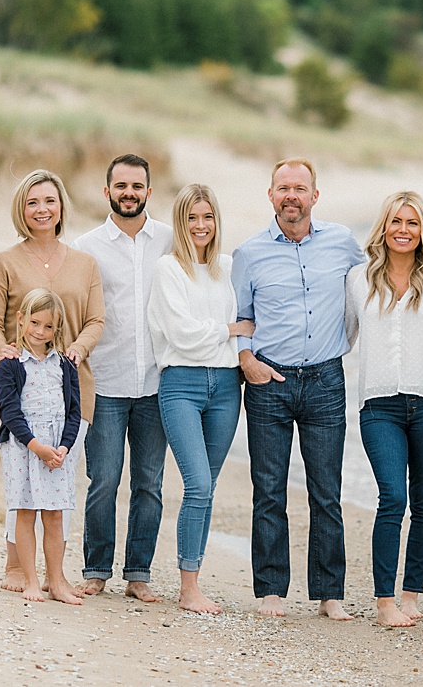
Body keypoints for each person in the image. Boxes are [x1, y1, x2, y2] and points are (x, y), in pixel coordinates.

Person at [231, 157, 364, 620]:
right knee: (268, 489)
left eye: (300, 188)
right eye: (283, 188)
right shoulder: (248, 253)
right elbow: (240, 316)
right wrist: (247, 360)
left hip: (327, 379)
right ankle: (271, 590)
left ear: (315, 195)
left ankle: (330, 594)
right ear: (271, 195)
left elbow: (384, 277)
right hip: (270, 381)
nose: (292, 195)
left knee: (326, 490)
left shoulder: (343, 243)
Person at [0, 169, 104, 592]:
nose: (42, 209)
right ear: (21, 209)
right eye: (32, 202)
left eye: (49, 201)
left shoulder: (86, 264)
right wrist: (2, 352)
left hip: (71, 392)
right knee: (22, 485)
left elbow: (96, 320)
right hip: (24, 393)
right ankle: (17, 566)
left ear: (61, 207)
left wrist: (78, 349)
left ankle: (57, 574)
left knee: (57, 484)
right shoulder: (3, 263)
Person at [345, 191, 423, 627]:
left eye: (412, 223)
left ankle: (411, 593)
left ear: (422, 230)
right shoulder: (357, 280)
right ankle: (384, 601)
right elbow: (341, 338)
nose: (403, 230)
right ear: (384, 226)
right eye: (396, 221)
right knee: (392, 497)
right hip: (378, 405)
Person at [148, 184, 254, 614]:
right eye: (192, 217)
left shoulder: (228, 268)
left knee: (206, 490)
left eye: (207, 217)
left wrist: (239, 333)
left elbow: (256, 314)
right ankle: (188, 589)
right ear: (180, 221)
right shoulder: (168, 269)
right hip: (182, 386)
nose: (200, 226)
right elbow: (181, 334)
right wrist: (230, 329)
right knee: (198, 483)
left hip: (227, 388)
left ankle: (194, 580)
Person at [69, 155, 170, 602]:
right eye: (121, 185)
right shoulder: (86, 246)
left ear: (149, 191)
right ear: (106, 190)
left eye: (137, 186)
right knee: (104, 480)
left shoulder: (169, 239)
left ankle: (138, 573)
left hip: (157, 384)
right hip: (105, 382)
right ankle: (95, 569)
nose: (129, 193)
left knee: (149, 483)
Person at [0, 288, 83, 605]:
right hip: (22, 446)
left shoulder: (65, 366)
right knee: (27, 511)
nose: (40, 332)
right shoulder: (11, 365)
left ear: (56, 328)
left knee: (55, 515)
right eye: (34, 323)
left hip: (57, 449)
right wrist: (35, 446)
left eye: (48, 327)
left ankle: (56, 581)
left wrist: (64, 446)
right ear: (21, 320)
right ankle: (30, 579)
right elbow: (9, 411)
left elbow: (74, 411)